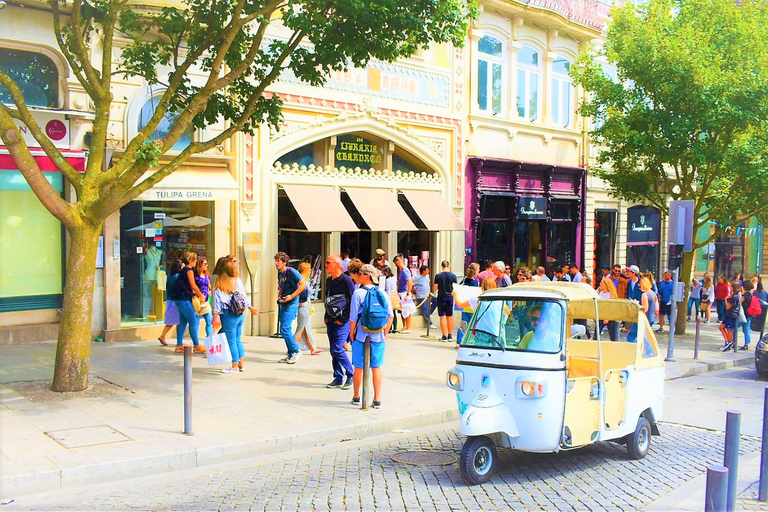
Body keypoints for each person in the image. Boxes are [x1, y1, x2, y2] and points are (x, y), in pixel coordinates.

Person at [349, 265, 394, 409]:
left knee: (358, 367)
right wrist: (385, 333)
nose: (358, 275)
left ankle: (357, 396)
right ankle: (377, 399)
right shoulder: (382, 293)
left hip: (361, 335)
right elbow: (390, 316)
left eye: (360, 273)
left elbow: (353, 318)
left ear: (367, 275)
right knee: (376, 367)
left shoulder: (358, 293)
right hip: (378, 336)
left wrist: (352, 333)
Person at [211, 259, 258, 373]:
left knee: (231, 341)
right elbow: (243, 297)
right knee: (237, 339)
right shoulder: (238, 281)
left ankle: (234, 365)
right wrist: (250, 307)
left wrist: (215, 318)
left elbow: (217, 305)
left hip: (228, 315)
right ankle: (241, 363)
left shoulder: (218, 284)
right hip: (240, 314)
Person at [324, 255, 355, 389]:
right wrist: (326, 316)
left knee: (337, 348)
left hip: (342, 322)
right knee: (333, 350)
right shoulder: (328, 281)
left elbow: (353, 301)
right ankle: (337, 376)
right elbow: (328, 300)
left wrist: (343, 319)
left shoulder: (346, 280)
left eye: (328, 263)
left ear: (337, 265)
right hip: (330, 320)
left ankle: (351, 374)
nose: (325, 265)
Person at [274, 252, 306, 364]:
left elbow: (303, 285)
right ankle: (291, 353)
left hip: (291, 303)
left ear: (284, 262)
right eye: (275, 260)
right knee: (283, 329)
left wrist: (292, 296)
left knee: (285, 328)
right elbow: (281, 285)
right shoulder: (280, 273)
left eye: (278, 261)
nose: (276, 263)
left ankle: (296, 350)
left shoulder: (292, 272)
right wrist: (280, 294)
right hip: (284, 303)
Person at [174, 251, 207, 354]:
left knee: (183, 322)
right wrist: (201, 295)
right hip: (185, 300)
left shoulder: (182, 270)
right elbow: (193, 285)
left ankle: (179, 345)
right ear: (190, 260)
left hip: (179, 299)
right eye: (195, 260)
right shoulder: (189, 271)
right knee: (193, 322)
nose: (196, 261)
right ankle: (197, 345)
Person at [294, 262, 322, 356]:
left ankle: (312, 348)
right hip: (304, 306)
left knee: (307, 328)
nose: (311, 271)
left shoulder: (304, 280)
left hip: (306, 306)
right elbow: (302, 296)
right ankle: (292, 347)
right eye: (309, 269)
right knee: (301, 328)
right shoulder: (303, 281)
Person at [158, 259, 183, 346]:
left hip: (170, 300)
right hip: (175, 301)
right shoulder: (178, 276)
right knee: (179, 322)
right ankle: (178, 339)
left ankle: (164, 336)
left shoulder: (169, 276)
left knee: (172, 321)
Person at [433, 260, 458, 342]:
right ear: (449, 266)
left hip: (441, 297)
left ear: (442, 266)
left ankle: (444, 336)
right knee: (450, 316)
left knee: (442, 317)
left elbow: (435, 288)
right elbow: (455, 287)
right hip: (450, 297)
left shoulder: (438, 276)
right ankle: (450, 335)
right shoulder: (453, 276)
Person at [456, 265, 479, 347]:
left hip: (464, 304)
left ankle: (459, 341)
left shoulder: (465, 280)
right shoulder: (475, 282)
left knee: (463, 323)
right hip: (472, 305)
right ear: (475, 272)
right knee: (472, 324)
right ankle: (469, 340)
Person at [393, 254, 415, 334]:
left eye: (396, 264)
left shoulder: (405, 270)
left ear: (398, 262)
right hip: (401, 292)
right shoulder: (401, 271)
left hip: (405, 292)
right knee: (402, 311)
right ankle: (404, 326)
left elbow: (409, 281)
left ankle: (408, 327)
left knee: (407, 310)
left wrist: (408, 293)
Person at [194, 256, 213, 339]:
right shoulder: (195, 276)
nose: (207, 265)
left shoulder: (206, 275)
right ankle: (196, 341)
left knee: (209, 321)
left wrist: (209, 291)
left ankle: (209, 337)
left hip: (205, 301)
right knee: (196, 323)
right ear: (200, 265)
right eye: (205, 264)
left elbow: (209, 286)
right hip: (197, 301)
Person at [596, 275, 620, 341]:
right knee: (596, 335)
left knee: (613, 337)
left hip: (611, 317)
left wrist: (608, 317)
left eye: (602, 283)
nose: (600, 284)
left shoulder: (611, 294)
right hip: (601, 315)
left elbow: (613, 307)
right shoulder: (599, 293)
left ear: (606, 285)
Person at [720, 281, 740, 352]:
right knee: (721, 327)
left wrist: (726, 299)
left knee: (730, 330)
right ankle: (727, 342)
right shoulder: (735, 296)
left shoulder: (735, 297)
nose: (730, 288)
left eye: (731, 287)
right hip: (728, 315)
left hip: (731, 315)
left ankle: (729, 343)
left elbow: (728, 306)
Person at [625, 265, 642, 343]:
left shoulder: (640, 282)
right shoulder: (629, 282)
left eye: (629, 271)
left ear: (634, 273)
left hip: (639, 306)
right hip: (631, 305)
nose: (627, 273)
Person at [740, 280, 756, 351]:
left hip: (743, 314)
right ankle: (746, 343)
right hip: (749, 314)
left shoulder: (745, 295)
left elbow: (739, 302)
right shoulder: (751, 295)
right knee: (747, 329)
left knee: (735, 327)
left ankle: (733, 342)